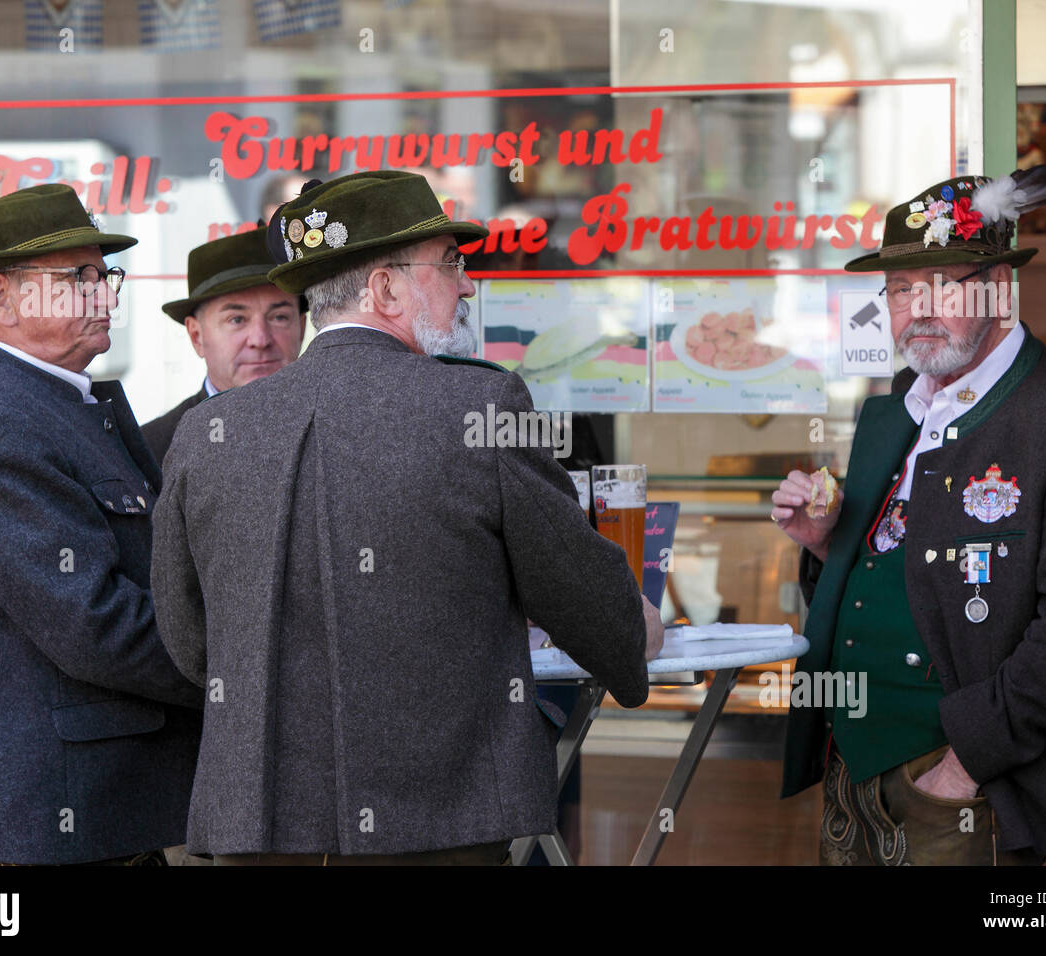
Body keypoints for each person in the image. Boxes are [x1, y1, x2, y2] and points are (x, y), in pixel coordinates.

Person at [151, 170, 663, 865]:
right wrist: (633, 630)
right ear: (385, 289)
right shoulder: (477, 407)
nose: (468, 284)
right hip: (435, 819)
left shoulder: (209, 431)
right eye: (451, 264)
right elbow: (573, 584)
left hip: (259, 821)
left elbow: (187, 640)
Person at [773, 166, 1046, 865]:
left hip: (965, 789)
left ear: (1000, 288)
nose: (919, 307)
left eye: (944, 284)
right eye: (902, 289)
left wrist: (958, 773)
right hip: (851, 771)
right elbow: (894, 569)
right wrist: (826, 546)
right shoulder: (891, 412)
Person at [0, 184, 202, 865]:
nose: (104, 296)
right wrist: (242, 666)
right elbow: (95, 624)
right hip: (33, 824)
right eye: (75, 279)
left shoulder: (28, 398)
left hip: (60, 815)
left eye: (103, 276)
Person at [142, 227, 306, 465]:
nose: (260, 340)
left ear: (301, 327)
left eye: (279, 317)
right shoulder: (154, 448)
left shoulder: (337, 427)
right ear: (197, 336)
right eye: (237, 320)